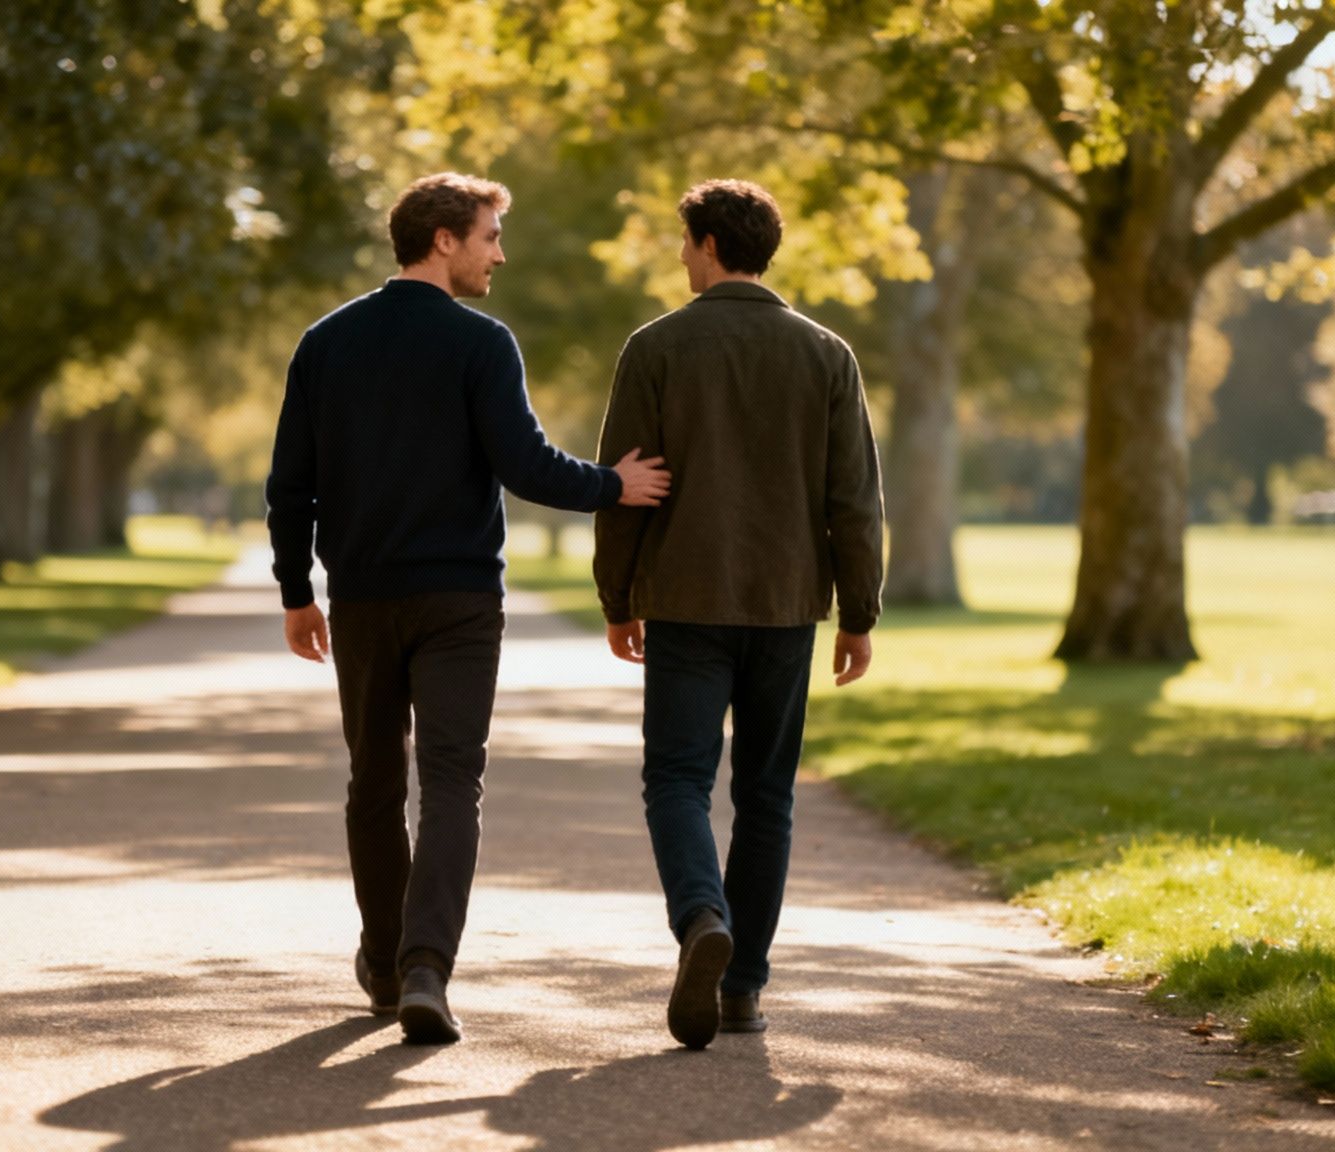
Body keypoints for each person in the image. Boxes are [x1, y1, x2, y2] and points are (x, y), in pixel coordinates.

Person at [266, 172, 672, 1045]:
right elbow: (525, 465)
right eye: (490, 236)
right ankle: (425, 969)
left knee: (375, 782)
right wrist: (614, 485)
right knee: (452, 782)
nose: (500, 254)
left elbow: (290, 485)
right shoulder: (481, 342)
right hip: (459, 601)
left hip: (364, 599)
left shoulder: (326, 342)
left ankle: (386, 965)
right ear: (443, 239)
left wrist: (297, 591)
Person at [593, 179, 884, 1050]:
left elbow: (624, 488)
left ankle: (701, 919)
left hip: (686, 599)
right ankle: (743, 987)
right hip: (786, 604)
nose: (682, 257)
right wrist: (859, 613)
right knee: (766, 795)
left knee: (677, 780)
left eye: (687, 242)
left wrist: (618, 598)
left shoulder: (655, 347)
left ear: (712, 244)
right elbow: (854, 499)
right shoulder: (828, 354)